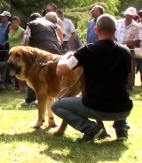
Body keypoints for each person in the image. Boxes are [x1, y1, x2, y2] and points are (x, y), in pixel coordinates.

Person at [52, 14, 133, 143]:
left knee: (56, 106)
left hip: (96, 108)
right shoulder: (126, 51)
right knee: (120, 92)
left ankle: (91, 129)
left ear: (96, 30)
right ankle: (121, 128)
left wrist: (65, 56)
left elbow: (60, 71)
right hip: (124, 108)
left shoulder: (87, 51)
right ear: (114, 31)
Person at [21, 13, 61, 107]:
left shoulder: (31, 24)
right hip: (54, 51)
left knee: (32, 75)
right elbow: (58, 40)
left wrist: (24, 53)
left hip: (39, 53)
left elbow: (26, 38)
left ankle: (31, 100)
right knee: (53, 76)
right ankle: (55, 100)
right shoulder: (51, 25)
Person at [7, 16, 25, 93]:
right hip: (11, 52)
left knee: (20, 70)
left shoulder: (22, 31)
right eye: (13, 23)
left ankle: (22, 89)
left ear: (19, 23)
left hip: (19, 53)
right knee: (13, 69)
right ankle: (18, 87)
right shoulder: (10, 30)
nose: (14, 24)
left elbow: (24, 41)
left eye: (16, 23)